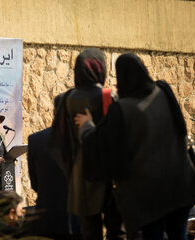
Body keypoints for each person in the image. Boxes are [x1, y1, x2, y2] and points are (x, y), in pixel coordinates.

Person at [75, 53, 195, 239]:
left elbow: (101, 144)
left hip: (149, 197)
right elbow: (181, 129)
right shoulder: (163, 91)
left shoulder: (122, 109)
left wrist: (86, 125)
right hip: (180, 184)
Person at [49, 48, 125, 240]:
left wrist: (71, 171)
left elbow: (57, 142)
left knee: (90, 232)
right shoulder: (109, 96)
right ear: (102, 69)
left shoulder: (66, 99)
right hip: (109, 176)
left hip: (81, 176)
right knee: (117, 230)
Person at [27, 93, 75, 239]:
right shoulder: (85, 137)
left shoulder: (35, 140)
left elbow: (35, 183)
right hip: (77, 219)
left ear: (53, 112)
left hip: (46, 216)